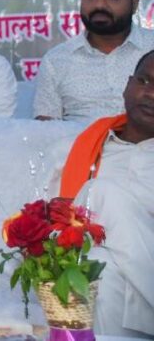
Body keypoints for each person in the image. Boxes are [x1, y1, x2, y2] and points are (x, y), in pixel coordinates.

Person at [51, 49, 154, 337]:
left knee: (101, 191)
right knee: (99, 264)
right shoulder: (79, 150)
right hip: (123, 301)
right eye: (144, 81)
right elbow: (50, 225)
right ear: (128, 85)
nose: (150, 94)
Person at [34, 0, 154, 122]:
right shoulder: (56, 60)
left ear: (134, 5)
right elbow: (45, 128)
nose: (99, 5)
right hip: (79, 138)